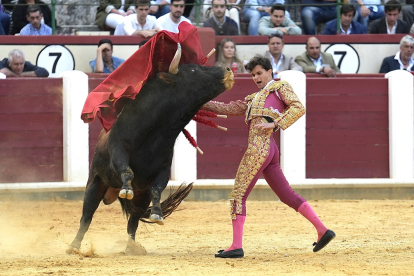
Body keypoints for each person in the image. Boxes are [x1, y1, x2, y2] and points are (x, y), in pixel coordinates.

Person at [200, 55, 336, 258]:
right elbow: (228, 108)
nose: (256, 77)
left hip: (259, 148)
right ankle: (323, 230)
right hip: (268, 150)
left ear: (270, 71)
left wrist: (276, 123)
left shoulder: (280, 87)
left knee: (238, 195)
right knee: (287, 195)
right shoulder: (255, 98)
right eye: (253, 75)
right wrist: (201, 102)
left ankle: (236, 246)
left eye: (259, 73)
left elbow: (298, 107)